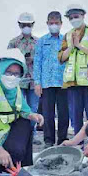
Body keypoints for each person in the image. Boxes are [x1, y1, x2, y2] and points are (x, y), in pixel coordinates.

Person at [58, 4, 88, 137]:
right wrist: (72, 46)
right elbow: (61, 57)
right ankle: (78, 142)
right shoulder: (67, 35)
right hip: (73, 82)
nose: (74, 19)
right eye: (71, 17)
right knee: (75, 114)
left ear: (83, 16)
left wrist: (79, 45)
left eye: (76, 16)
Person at [33, 11, 69, 148]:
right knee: (48, 113)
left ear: (61, 24)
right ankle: (48, 140)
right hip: (47, 83)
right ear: (47, 23)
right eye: (51, 23)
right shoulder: (42, 41)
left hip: (63, 82)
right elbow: (37, 62)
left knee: (63, 112)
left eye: (56, 23)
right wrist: (37, 82)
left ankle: (63, 139)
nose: (54, 25)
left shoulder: (66, 40)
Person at [7, 12, 41, 145]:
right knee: (18, 108)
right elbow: (8, 62)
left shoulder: (39, 42)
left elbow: (42, 61)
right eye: (24, 25)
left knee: (33, 108)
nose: (26, 27)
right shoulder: (13, 43)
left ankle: (32, 134)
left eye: (29, 24)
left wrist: (34, 59)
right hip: (18, 82)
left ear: (32, 25)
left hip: (34, 81)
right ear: (19, 25)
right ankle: (17, 134)